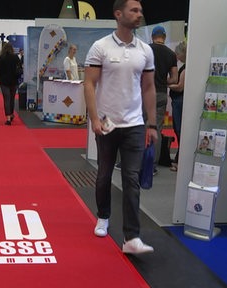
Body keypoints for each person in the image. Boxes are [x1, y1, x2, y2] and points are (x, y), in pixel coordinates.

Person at [83, 0, 158, 254]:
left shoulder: (145, 50)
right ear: (118, 14)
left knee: (131, 179)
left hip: (135, 124)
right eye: (133, 10)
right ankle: (103, 216)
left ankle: (131, 238)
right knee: (104, 173)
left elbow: (148, 88)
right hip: (107, 123)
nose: (139, 14)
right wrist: (94, 118)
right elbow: (89, 84)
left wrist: (152, 124)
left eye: (140, 11)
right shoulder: (100, 47)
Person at [149, 25, 178, 174]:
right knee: (157, 129)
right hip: (160, 94)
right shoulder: (171, 54)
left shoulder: (145, 50)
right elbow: (174, 78)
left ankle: (135, 162)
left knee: (139, 128)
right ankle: (152, 166)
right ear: (164, 37)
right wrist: (162, 81)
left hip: (144, 94)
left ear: (152, 37)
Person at [168, 41, 186, 172]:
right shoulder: (185, 66)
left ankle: (180, 160)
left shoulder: (185, 68)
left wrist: (165, 85)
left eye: (178, 54)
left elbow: (180, 87)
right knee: (178, 129)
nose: (177, 56)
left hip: (179, 101)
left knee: (179, 130)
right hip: (178, 101)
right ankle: (179, 159)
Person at [0, 42, 21, 125]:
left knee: (6, 99)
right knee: (12, 99)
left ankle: (8, 118)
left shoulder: (1, 57)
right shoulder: (15, 57)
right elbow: (20, 69)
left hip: (4, 82)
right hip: (14, 81)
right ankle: (11, 114)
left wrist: (0, 81)